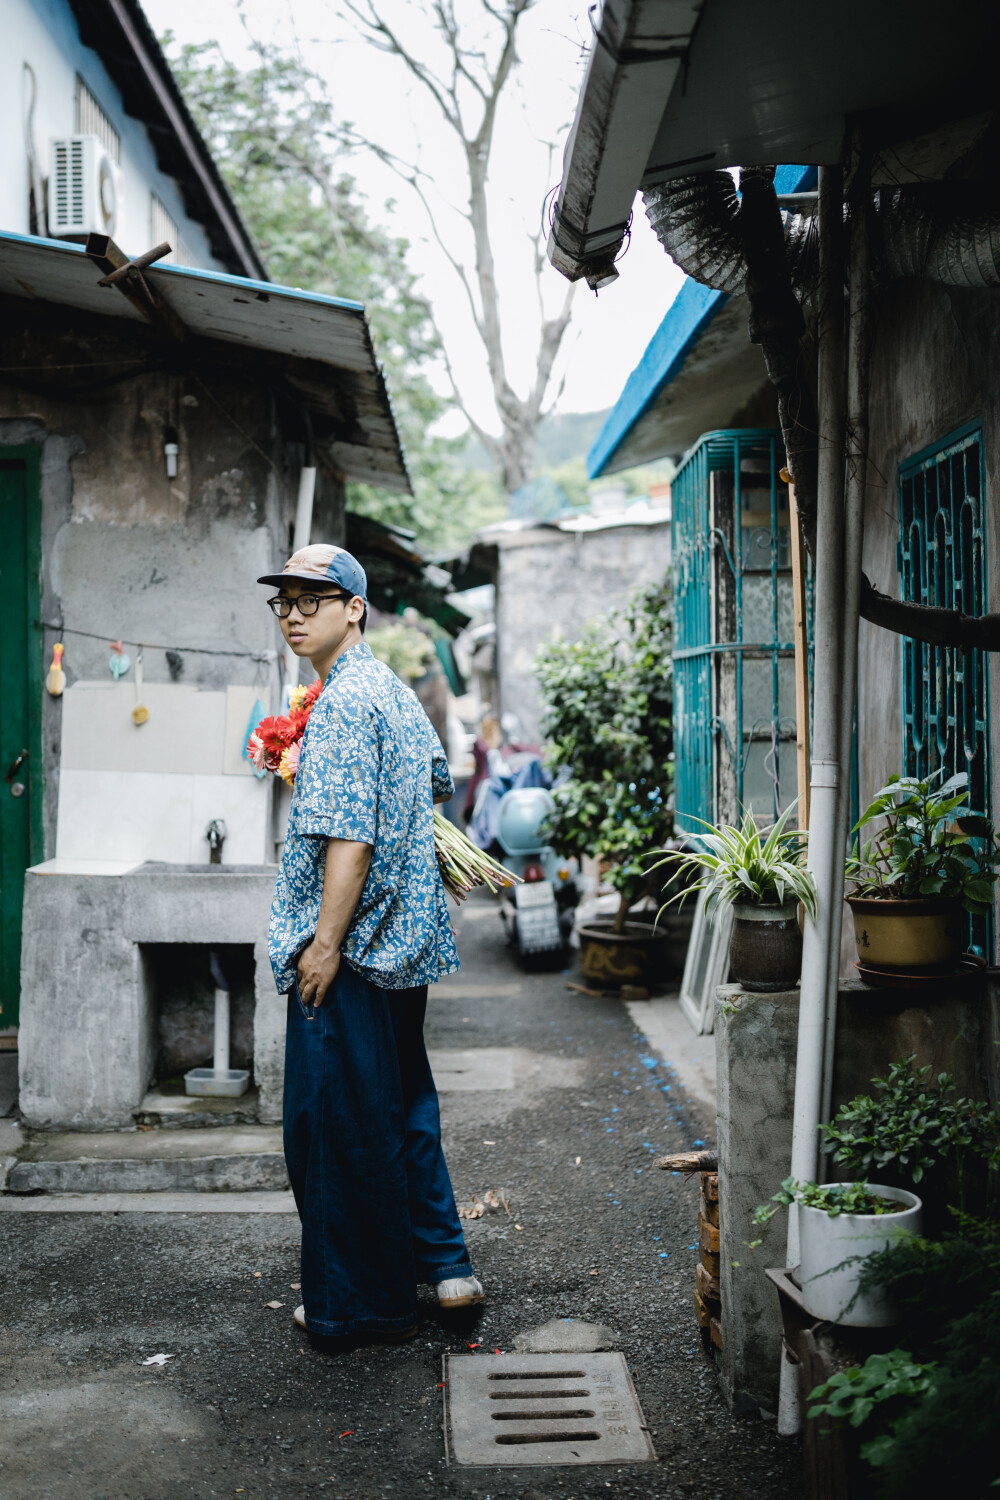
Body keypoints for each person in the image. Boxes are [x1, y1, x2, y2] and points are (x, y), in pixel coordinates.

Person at [258, 543, 482, 1349]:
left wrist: (324, 944)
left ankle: (356, 1305)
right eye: (283, 601)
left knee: (332, 1127)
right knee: (401, 1103)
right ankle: (445, 1266)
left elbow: (349, 838)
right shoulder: (382, 689)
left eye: (311, 599)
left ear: (353, 608)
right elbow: (425, 789)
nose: (293, 614)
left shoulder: (347, 702)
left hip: (349, 955)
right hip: (399, 945)